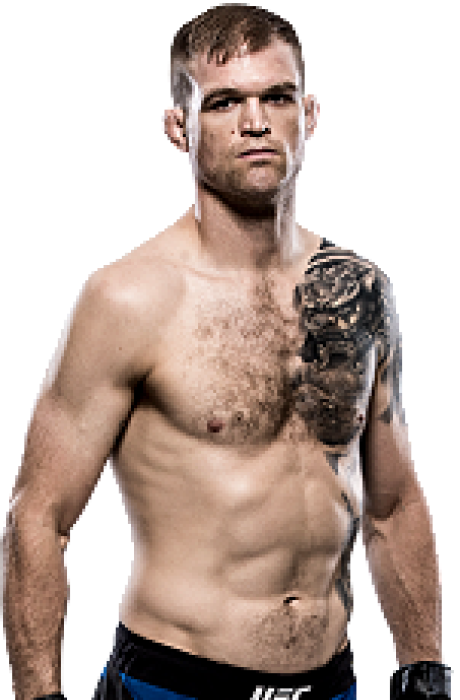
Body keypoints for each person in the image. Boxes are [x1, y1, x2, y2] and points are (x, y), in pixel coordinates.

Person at [4, 5, 449, 700]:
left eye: (277, 97)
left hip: (333, 682)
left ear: (309, 114)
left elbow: (392, 505)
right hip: (175, 682)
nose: (255, 122)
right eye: (223, 103)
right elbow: (40, 517)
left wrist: (424, 663)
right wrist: (39, 697)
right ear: (178, 128)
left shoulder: (359, 289)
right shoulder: (130, 298)